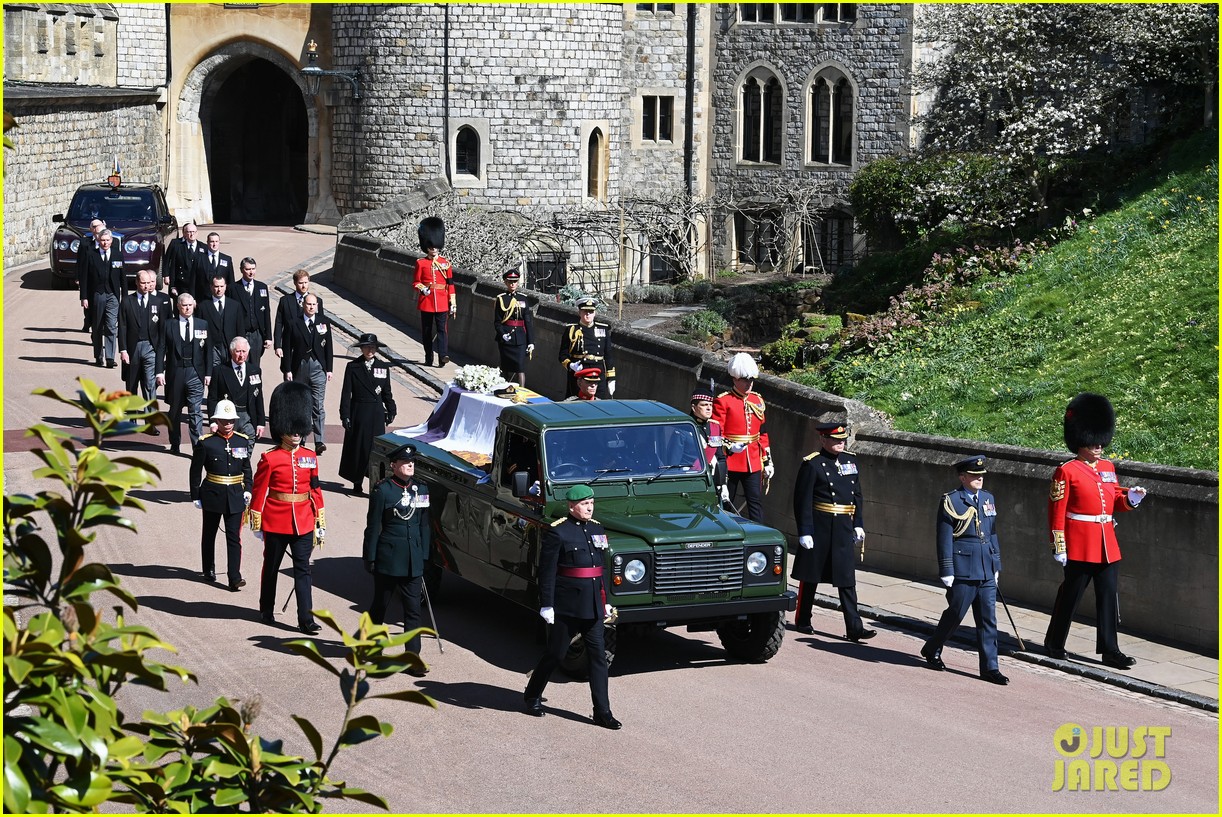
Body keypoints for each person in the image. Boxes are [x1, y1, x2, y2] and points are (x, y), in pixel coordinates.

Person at [1043, 393, 1148, 670]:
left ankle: (1110, 650)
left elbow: (1113, 501)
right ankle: (1055, 642)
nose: (1099, 445)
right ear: (1081, 439)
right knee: (1071, 596)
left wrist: (1131, 500)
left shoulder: (1108, 467)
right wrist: (1059, 545)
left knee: (1108, 598)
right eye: (1093, 440)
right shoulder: (1067, 471)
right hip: (1079, 544)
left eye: (1101, 439)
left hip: (1106, 543)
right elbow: (1057, 510)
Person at [523, 484, 620, 730]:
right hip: (567, 607)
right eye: (585, 504)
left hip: (593, 606)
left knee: (598, 657)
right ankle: (533, 694)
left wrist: (606, 600)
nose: (589, 508)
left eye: (591, 503)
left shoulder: (598, 528)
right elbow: (547, 573)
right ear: (571, 506)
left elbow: (601, 568)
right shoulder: (559, 533)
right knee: (556, 654)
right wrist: (547, 605)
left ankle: (602, 712)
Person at [920, 455, 1007, 685]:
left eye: (981, 475)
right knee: (956, 613)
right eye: (974, 475)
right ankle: (933, 647)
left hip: (986, 568)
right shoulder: (951, 500)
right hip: (963, 568)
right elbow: (944, 538)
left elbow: (993, 533)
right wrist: (947, 569)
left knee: (988, 620)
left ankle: (990, 668)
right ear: (962, 477)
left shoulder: (988, 498)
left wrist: (996, 563)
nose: (979, 479)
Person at [249, 381, 325, 635]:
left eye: (298, 429)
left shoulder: (310, 457)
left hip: (303, 519)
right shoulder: (269, 458)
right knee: (271, 566)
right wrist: (256, 520)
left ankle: (306, 619)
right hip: (276, 520)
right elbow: (259, 491)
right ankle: (266, 608)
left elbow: (314, 489)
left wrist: (319, 520)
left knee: (302, 569)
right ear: (282, 428)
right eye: (291, 429)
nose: (296, 433)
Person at [790, 422, 876, 642]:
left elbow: (857, 495)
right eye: (836, 440)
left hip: (843, 527)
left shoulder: (850, 460)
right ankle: (803, 619)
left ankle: (854, 627)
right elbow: (803, 500)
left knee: (847, 578)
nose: (841, 443)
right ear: (823, 440)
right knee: (811, 575)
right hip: (820, 525)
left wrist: (858, 523)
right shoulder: (813, 464)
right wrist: (805, 531)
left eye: (843, 440)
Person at [363, 442, 431, 675]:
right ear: (394, 465)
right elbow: (373, 527)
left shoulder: (421, 489)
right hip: (389, 558)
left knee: (413, 611)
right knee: (380, 606)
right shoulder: (383, 490)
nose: (411, 465)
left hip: (413, 559)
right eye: (405, 462)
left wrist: (424, 556)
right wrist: (369, 557)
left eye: (412, 462)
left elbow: (424, 524)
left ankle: (413, 658)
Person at [189, 400, 253, 590]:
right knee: (209, 534)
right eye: (225, 421)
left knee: (234, 537)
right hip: (212, 493)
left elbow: (247, 469)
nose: (228, 424)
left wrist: (248, 489)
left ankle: (234, 576)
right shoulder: (206, 443)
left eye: (231, 420)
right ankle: (208, 568)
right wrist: (195, 495)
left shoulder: (241, 441)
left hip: (235, 494)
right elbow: (195, 471)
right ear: (217, 420)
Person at [711, 353, 772, 522]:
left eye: (751, 380)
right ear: (735, 379)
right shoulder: (724, 401)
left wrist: (767, 461)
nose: (749, 384)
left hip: (753, 460)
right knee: (726, 501)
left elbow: (763, 432)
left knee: (755, 502)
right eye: (745, 380)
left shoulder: (757, 399)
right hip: (730, 460)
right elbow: (716, 433)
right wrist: (729, 447)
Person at [339, 333, 398, 495]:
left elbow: (387, 391)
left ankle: (375, 483)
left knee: (375, 450)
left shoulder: (383, 367)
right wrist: (345, 415)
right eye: (366, 347)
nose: (369, 350)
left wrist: (391, 408)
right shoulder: (353, 366)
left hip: (376, 413)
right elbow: (346, 393)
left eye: (372, 347)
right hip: (359, 411)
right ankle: (357, 481)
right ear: (361, 348)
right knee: (358, 447)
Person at [156, 293, 213, 454]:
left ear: (194, 305)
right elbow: (161, 348)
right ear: (178, 307)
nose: (187, 308)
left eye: (190, 305)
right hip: (176, 372)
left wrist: (208, 373)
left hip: (195, 372)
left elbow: (209, 351)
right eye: (184, 305)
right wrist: (159, 372)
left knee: (195, 410)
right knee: (175, 410)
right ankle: (175, 442)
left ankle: (197, 445)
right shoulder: (169, 325)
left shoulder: (202, 324)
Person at [117, 268, 173, 429]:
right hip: (133, 348)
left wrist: (163, 350)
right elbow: (122, 326)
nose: (146, 286)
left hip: (151, 348)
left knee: (150, 385)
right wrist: (123, 350)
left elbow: (163, 329)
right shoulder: (127, 301)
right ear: (136, 283)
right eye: (143, 283)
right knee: (132, 384)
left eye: (149, 283)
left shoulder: (157, 302)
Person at [280, 294, 333, 453]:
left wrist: (329, 369)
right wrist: (287, 369)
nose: (311, 307)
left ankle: (319, 441)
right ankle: (300, 438)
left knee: (318, 405)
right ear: (303, 305)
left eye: (314, 304)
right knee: (301, 405)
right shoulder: (293, 323)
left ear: (317, 305)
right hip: (299, 367)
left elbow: (328, 347)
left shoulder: (324, 322)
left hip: (318, 368)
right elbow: (287, 348)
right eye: (308, 304)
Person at [79, 228, 125, 368]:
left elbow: (122, 277)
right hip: (97, 294)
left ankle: (110, 357)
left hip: (113, 295)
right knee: (98, 326)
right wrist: (84, 297)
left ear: (112, 241)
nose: (105, 243)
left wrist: (126, 297)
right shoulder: (91, 254)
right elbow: (84, 277)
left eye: (107, 240)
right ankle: (98, 356)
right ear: (99, 241)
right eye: (103, 240)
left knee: (111, 325)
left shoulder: (117, 254)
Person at [414, 216, 456, 368]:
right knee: (426, 331)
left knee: (442, 330)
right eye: (431, 247)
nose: (433, 249)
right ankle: (428, 355)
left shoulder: (445, 264)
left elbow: (450, 284)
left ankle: (443, 355)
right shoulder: (421, 263)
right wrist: (422, 289)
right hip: (427, 301)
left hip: (442, 301)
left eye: (435, 247)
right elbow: (416, 281)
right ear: (427, 247)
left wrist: (453, 303)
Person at [208, 336, 266, 443]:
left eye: (244, 351)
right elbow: (212, 398)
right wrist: (213, 422)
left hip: (248, 417)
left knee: (248, 444)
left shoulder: (255, 370)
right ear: (231, 352)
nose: (241, 355)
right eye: (238, 351)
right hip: (228, 419)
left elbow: (258, 398)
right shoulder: (219, 371)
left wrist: (261, 423)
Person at [558, 297, 615, 399]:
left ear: (594, 313)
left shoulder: (603, 329)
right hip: (580, 371)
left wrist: (611, 378)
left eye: (591, 311)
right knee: (577, 401)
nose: (588, 314)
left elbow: (608, 355)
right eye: (585, 311)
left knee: (599, 402)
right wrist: (571, 365)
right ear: (579, 312)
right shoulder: (572, 329)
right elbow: (562, 354)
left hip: (598, 372)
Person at [274, 269, 325, 366]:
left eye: (306, 282)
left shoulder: (317, 301)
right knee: (289, 377)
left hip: (310, 348)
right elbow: (279, 323)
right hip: (290, 347)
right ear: (295, 283)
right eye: (300, 283)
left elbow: (321, 323)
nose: (304, 286)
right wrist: (278, 345)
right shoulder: (285, 301)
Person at [493, 269, 534, 385]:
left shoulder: (523, 298)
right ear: (506, 283)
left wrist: (531, 342)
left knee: (520, 368)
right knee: (505, 367)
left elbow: (528, 322)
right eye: (510, 282)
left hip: (520, 338)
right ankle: (504, 390)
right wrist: (502, 334)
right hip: (506, 338)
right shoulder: (501, 299)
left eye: (515, 282)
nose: (513, 284)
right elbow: (497, 321)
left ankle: (522, 392)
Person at [689, 386, 728, 504]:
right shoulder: (685, 428)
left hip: (713, 483)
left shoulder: (715, 427)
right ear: (694, 407)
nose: (709, 408)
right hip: (693, 482)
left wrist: (723, 484)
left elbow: (720, 458)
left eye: (710, 405)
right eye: (704, 405)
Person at [231, 256, 272, 366]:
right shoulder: (233, 288)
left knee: (255, 365)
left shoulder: (261, 287)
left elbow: (266, 313)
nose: (251, 272)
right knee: (240, 363)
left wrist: (268, 337)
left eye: (253, 269)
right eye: (248, 269)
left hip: (256, 335)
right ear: (241, 270)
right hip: (241, 333)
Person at [199, 273, 246, 371]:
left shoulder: (235, 306)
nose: (219, 289)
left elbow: (240, 329)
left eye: (221, 286)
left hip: (230, 349)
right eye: (216, 286)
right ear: (211, 287)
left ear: (225, 287)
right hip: (212, 349)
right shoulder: (203, 306)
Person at [162, 222, 207, 300]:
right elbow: (168, 260)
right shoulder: (178, 246)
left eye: (193, 232)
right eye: (189, 232)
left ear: (197, 233)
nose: (191, 234)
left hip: (197, 282)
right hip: (181, 282)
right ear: (185, 233)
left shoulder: (203, 247)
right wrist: (166, 276)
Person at [76, 217, 107, 330]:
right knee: (88, 302)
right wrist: (78, 277)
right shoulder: (85, 242)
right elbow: (80, 261)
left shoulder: (109, 241)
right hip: (88, 277)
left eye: (98, 225)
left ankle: (99, 325)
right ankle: (88, 320)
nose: (96, 228)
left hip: (103, 279)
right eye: (93, 227)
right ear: (90, 229)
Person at [199, 230, 235, 299]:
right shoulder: (199, 258)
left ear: (219, 242)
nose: (214, 244)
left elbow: (231, 281)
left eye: (216, 241)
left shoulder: (227, 259)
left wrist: (231, 298)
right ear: (207, 243)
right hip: (203, 298)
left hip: (222, 297)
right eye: (212, 241)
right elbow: (193, 280)